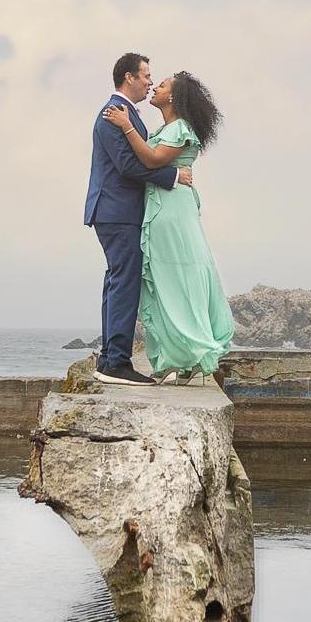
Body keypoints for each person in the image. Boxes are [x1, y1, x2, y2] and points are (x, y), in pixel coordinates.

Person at [101, 70, 233, 383]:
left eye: (160, 85)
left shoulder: (181, 128)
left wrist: (127, 127)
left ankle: (194, 352)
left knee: (178, 276)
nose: (154, 87)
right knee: (167, 281)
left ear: (173, 97)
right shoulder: (168, 127)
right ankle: (183, 358)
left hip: (171, 211)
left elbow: (152, 159)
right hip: (163, 206)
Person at [84, 52, 194, 386]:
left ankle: (110, 359)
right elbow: (129, 167)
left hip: (118, 211)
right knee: (125, 282)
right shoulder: (113, 113)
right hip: (116, 211)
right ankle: (116, 362)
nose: (150, 81)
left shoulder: (127, 114)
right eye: (146, 76)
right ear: (129, 77)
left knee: (118, 281)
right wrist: (174, 177)